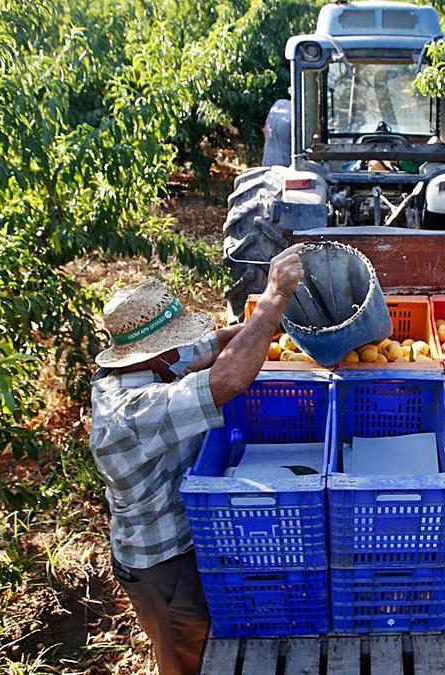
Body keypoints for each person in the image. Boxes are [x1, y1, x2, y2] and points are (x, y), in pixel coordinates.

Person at [88, 245, 304, 675]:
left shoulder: (155, 364)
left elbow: (213, 345)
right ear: (153, 353)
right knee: (189, 657)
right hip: (162, 564)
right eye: (176, 343)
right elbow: (226, 379)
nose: (185, 349)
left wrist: (283, 328)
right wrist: (273, 299)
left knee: (211, 638)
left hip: (191, 541)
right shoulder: (130, 410)